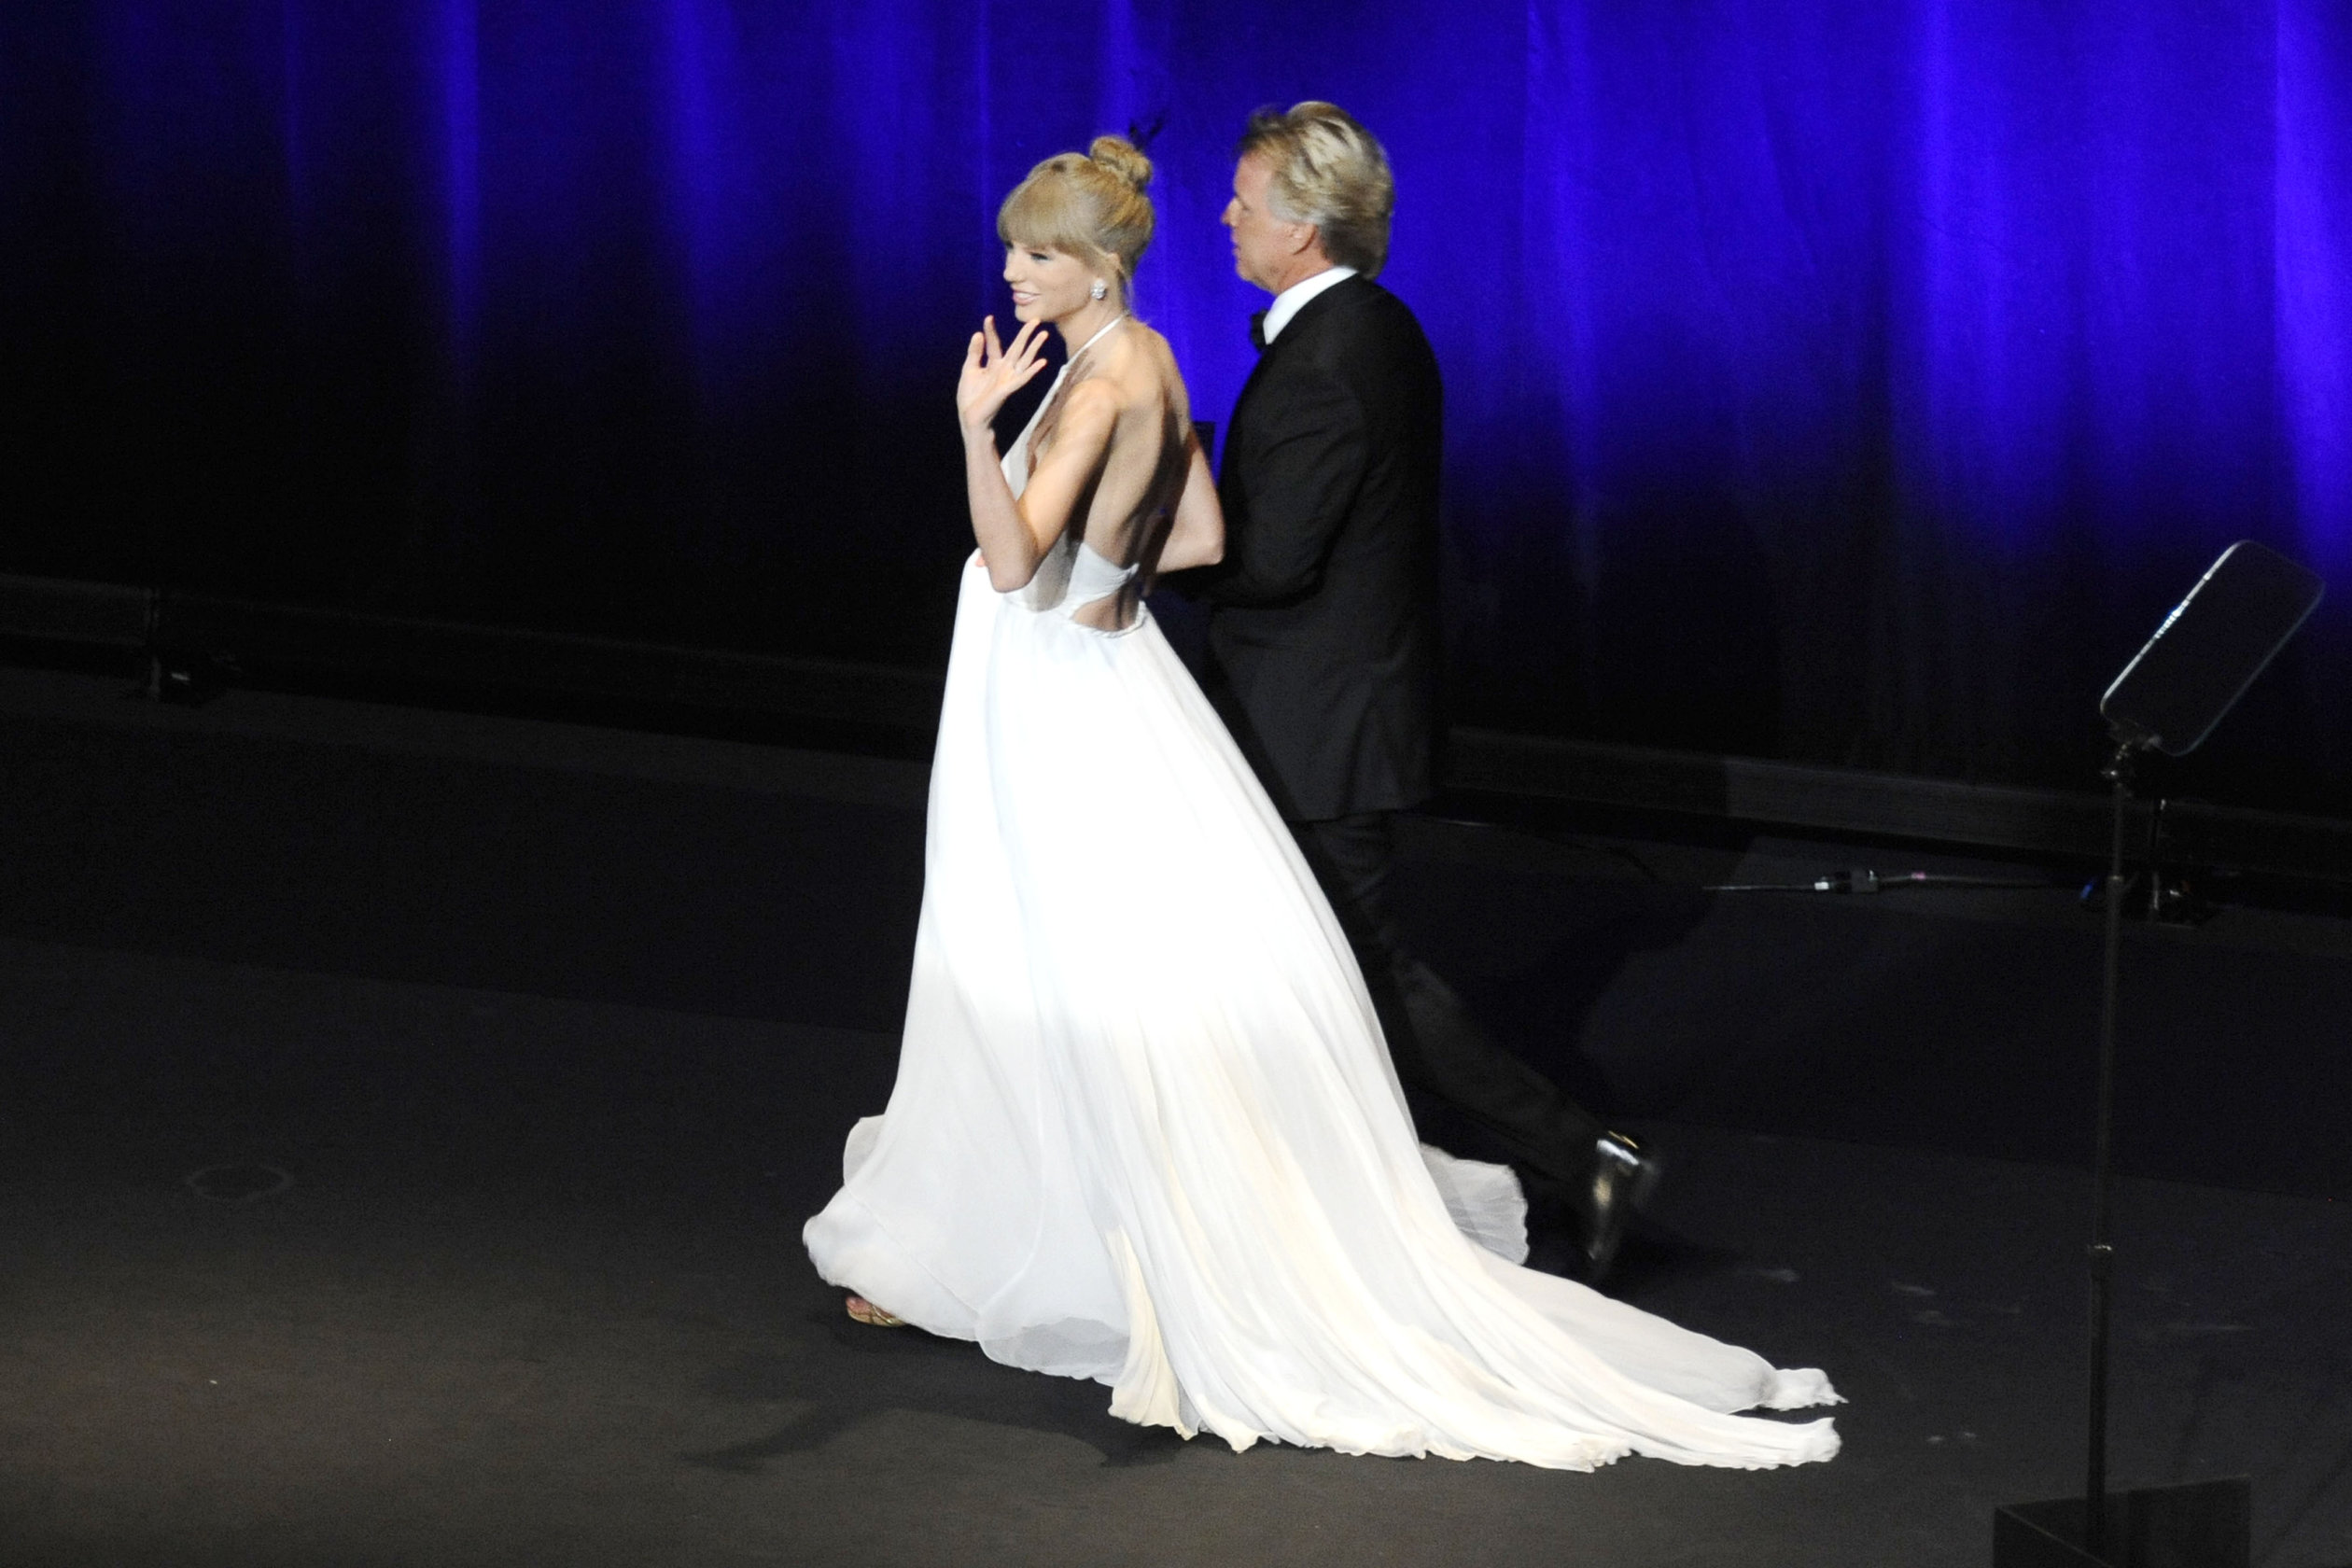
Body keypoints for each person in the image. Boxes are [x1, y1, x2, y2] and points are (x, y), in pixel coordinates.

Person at [802, 134, 1838, 1470]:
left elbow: (1010, 566)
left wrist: (973, 431)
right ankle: (1063, 1231)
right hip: (1104, 675)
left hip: (1077, 691)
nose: (1011, 268)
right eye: (1013, 247)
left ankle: (1100, 1246)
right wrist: (1109, 578)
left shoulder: (1124, 372)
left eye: (1036, 251)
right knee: (1097, 970)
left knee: (1052, 968)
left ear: (1098, 264)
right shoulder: (1150, 354)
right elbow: (1199, 537)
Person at [1188, 102, 1657, 1279]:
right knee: (1322, 971)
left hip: (1318, 727)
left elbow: (1272, 562)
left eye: (1244, 200)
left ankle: (1582, 1156)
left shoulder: (1328, 359)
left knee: (1361, 975)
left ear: (1302, 227)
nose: (1226, 215)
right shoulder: (1372, 328)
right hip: (1329, 713)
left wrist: (1148, 530)